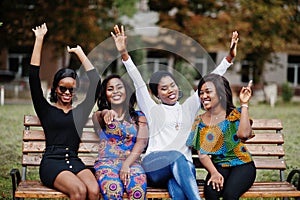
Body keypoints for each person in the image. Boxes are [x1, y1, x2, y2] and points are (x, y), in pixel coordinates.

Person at [111, 25, 238, 199]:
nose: (170, 90)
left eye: (172, 85)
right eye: (163, 88)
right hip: (155, 166)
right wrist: (124, 53)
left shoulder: (189, 107)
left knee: (177, 190)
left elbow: (211, 80)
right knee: (177, 157)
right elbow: (137, 80)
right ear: (156, 94)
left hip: (182, 169)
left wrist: (229, 58)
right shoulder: (152, 108)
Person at [29, 23, 100, 200]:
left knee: (94, 190)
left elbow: (96, 83)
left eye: (71, 89)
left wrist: (80, 53)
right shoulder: (45, 110)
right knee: (79, 191)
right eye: (63, 88)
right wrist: (39, 40)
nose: (67, 93)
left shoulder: (81, 112)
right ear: (55, 89)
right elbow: (33, 77)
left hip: (74, 161)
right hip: (52, 163)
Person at [186, 75, 256, 200]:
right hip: (219, 166)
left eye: (208, 92)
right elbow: (202, 154)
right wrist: (213, 173)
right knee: (211, 193)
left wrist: (244, 104)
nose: (203, 96)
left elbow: (244, 135)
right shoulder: (200, 121)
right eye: (201, 93)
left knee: (229, 195)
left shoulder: (234, 115)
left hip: (242, 164)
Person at [92, 74, 148, 200]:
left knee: (137, 192)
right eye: (110, 89)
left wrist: (126, 165)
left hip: (132, 164)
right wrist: (107, 112)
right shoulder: (101, 116)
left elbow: (141, 143)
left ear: (126, 91)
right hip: (106, 164)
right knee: (113, 190)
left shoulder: (139, 116)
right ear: (105, 94)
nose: (115, 91)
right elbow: (98, 116)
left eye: (119, 87)